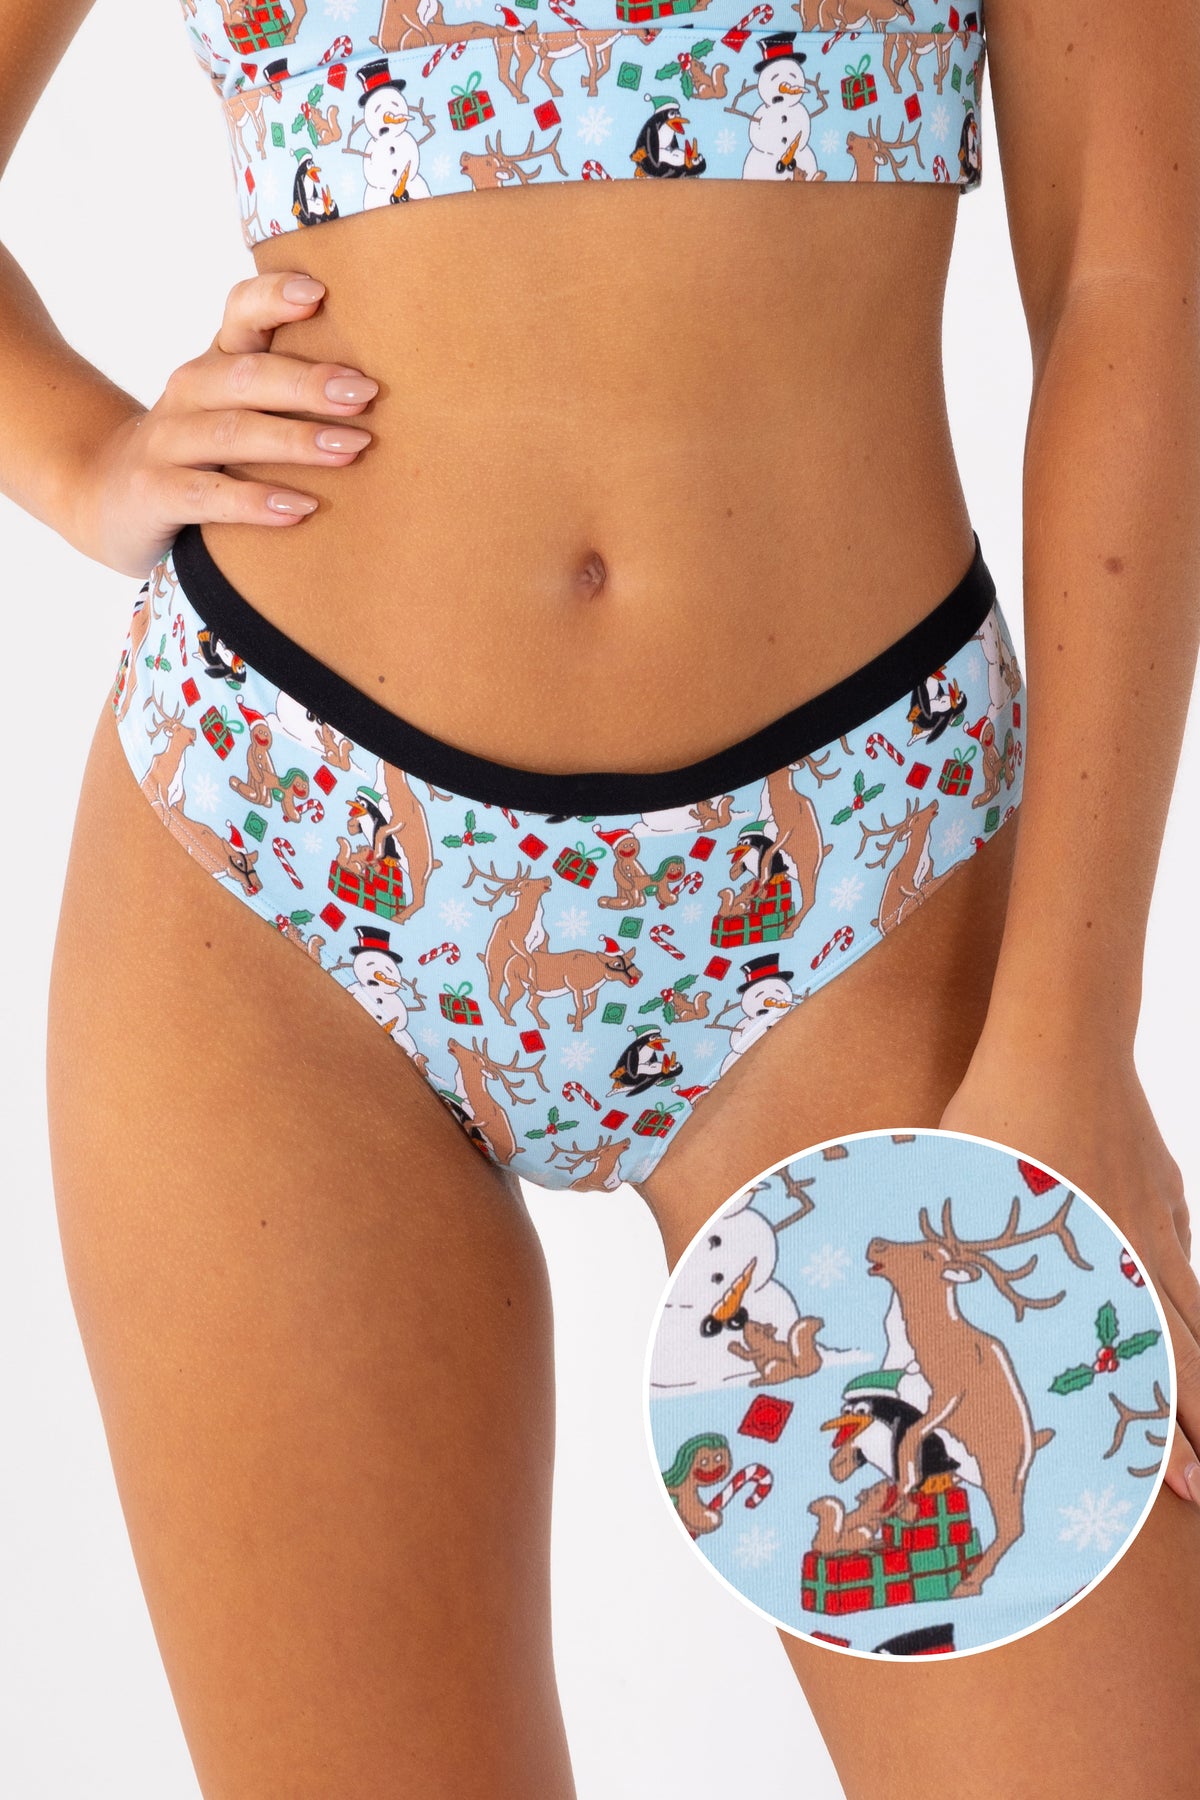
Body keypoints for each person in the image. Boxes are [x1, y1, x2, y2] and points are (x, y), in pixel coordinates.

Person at [3, 0, 1198, 1792]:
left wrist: (1073, 1040)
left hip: (867, 887)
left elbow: (1130, 280)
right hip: (273, 863)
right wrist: (80, 458)